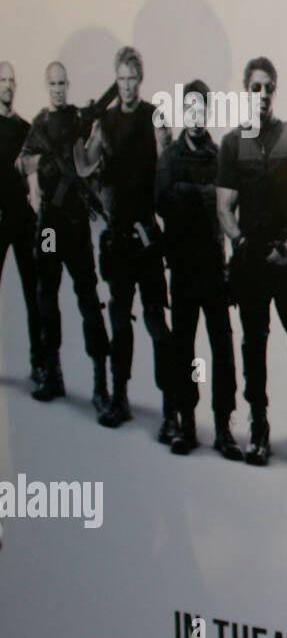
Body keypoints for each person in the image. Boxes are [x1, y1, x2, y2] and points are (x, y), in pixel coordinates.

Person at [217, 56, 287, 479]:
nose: (261, 95)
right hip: (251, 263)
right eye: (254, 87)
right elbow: (224, 207)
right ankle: (259, 427)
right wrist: (242, 243)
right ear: (246, 91)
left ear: (275, 91)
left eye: (268, 87)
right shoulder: (232, 144)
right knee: (253, 345)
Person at [81, 47, 177, 439]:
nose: (126, 86)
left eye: (132, 78)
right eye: (120, 78)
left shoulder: (154, 116)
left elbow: (167, 168)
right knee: (120, 321)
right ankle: (118, 397)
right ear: (115, 80)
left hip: (146, 237)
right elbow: (85, 166)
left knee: (156, 321)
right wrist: (82, 127)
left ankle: (171, 408)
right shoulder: (103, 121)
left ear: (141, 78)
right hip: (117, 238)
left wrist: (159, 228)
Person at [155, 80, 241, 460]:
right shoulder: (170, 156)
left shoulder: (219, 155)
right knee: (185, 348)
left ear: (207, 113)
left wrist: (189, 194)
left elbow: (226, 203)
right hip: (183, 266)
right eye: (188, 109)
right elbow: (161, 201)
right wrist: (198, 196)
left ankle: (224, 427)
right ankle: (186, 423)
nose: (194, 117)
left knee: (221, 346)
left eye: (201, 109)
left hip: (212, 263)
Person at [20, 62, 111, 416]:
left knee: (88, 295)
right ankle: (52, 372)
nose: (58, 88)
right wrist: (43, 162)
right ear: (47, 86)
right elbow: (22, 162)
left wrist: (95, 135)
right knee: (46, 292)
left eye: (62, 83)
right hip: (48, 227)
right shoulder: (40, 124)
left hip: (74, 225)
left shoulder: (78, 119)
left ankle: (101, 383)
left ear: (68, 85)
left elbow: (88, 163)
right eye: (53, 84)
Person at [0, 61, 47, 389]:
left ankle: (39, 362)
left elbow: (36, 170)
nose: (7, 85)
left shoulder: (25, 128)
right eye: (2, 79)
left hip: (21, 219)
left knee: (34, 292)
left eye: (11, 80)